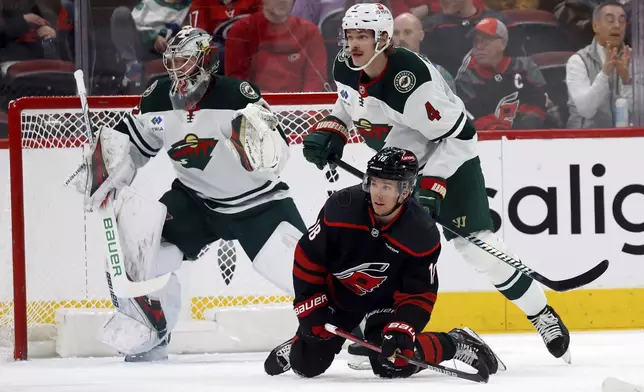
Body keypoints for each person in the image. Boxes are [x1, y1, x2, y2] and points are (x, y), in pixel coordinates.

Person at [301, 3, 571, 368]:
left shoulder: (412, 82)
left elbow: (464, 136)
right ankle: (378, 331)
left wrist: (432, 183)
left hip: (449, 161)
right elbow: (349, 104)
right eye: (350, 36)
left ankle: (541, 313)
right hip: (394, 170)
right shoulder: (345, 66)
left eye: (363, 36)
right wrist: (333, 128)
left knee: (478, 250)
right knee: (373, 248)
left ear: (383, 38)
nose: (354, 44)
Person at [70, 26, 307, 362]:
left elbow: (275, 154)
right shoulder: (156, 97)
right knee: (140, 246)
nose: (178, 71)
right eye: (173, 62)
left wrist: (257, 145)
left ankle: (352, 323)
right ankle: (152, 332)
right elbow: (132, 145)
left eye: (186, 62)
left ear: (207, 62)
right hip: (195, 201)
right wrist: (104, 167)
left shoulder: (237, 94)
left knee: (304, 272)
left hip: (259, 203)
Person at [264, 147, 501, 379]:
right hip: (340, 296)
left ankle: (454, 342)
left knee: (393, 363)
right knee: (305, 364)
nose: (378, 193)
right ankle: (305, 339)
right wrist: (310, 307)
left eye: (387, 187)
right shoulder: (341, 208)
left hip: (386, 302)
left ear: (406, 190)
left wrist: (403, 328)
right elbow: (309, 256)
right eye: (375, 183)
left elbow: (420, 294)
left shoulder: (421, 231)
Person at [456, 18, 547, 130]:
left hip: (526, 138)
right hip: (485, 141)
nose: (479, 46)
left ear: (503, 43)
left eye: (486, 41)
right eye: (476, 41)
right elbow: (464, 114)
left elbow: (540, 101)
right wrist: (491, 128)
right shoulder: (467, 77)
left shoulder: (525, 68)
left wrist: (526, 121)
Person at [565, 0, 632, 129]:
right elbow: (586, 110)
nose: (617, 25)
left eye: (622, 21)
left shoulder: (633, 59)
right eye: (610, 20)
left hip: (626, 140)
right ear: (595, 26)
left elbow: (639, 111)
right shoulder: (578, 61)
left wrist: (627, 80)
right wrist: (605, 73)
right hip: (584, 141)